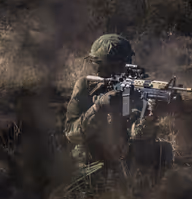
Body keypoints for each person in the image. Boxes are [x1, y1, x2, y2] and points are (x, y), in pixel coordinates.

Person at [64, 34, 171, 176]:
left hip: (128, 159)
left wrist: (147, 119)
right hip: (95, 159)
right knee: (81, 154)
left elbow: (138, 133)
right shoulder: (86, 86)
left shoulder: (138, 86)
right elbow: (71, 134)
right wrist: (98, 107)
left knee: (163, 150)